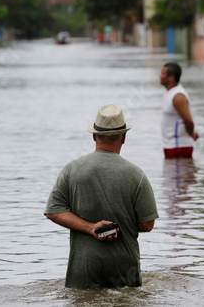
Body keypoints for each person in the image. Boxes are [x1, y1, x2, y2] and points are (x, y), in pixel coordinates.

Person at [44, 104, 159, 289]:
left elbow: (53, 212)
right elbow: (147, 224)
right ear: (124, 137)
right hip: (124, 268)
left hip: (83, 268)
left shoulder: (71, 170)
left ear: (94, 136)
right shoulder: (137, 175)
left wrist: (91, 228)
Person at [160, 62, 199, 158]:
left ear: (171, 78)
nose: (160, 76)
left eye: (163, 73)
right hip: (172, 146)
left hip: (179, 147)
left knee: (182, 173)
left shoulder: (178, 96)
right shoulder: (170, 92)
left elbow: (189, 121)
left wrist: (192, 134)